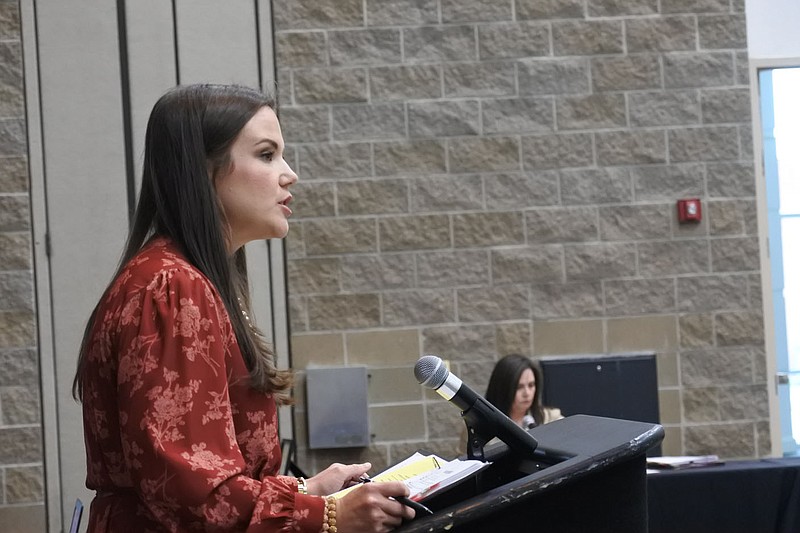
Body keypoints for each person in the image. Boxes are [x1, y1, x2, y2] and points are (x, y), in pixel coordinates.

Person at [72, 84, 414, 532]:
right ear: (204, 170)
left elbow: (206, 479)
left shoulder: (183, 279)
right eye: (267, 155)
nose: (289, 174)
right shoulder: (173, 287)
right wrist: (327, 516)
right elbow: (192, 494)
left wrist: (307, 491)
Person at [485, 354, 563, 429]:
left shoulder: (550, 418)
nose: (527, 393)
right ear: (503, 389)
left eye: (531, 385)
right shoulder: (485, 427)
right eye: (519, 387)